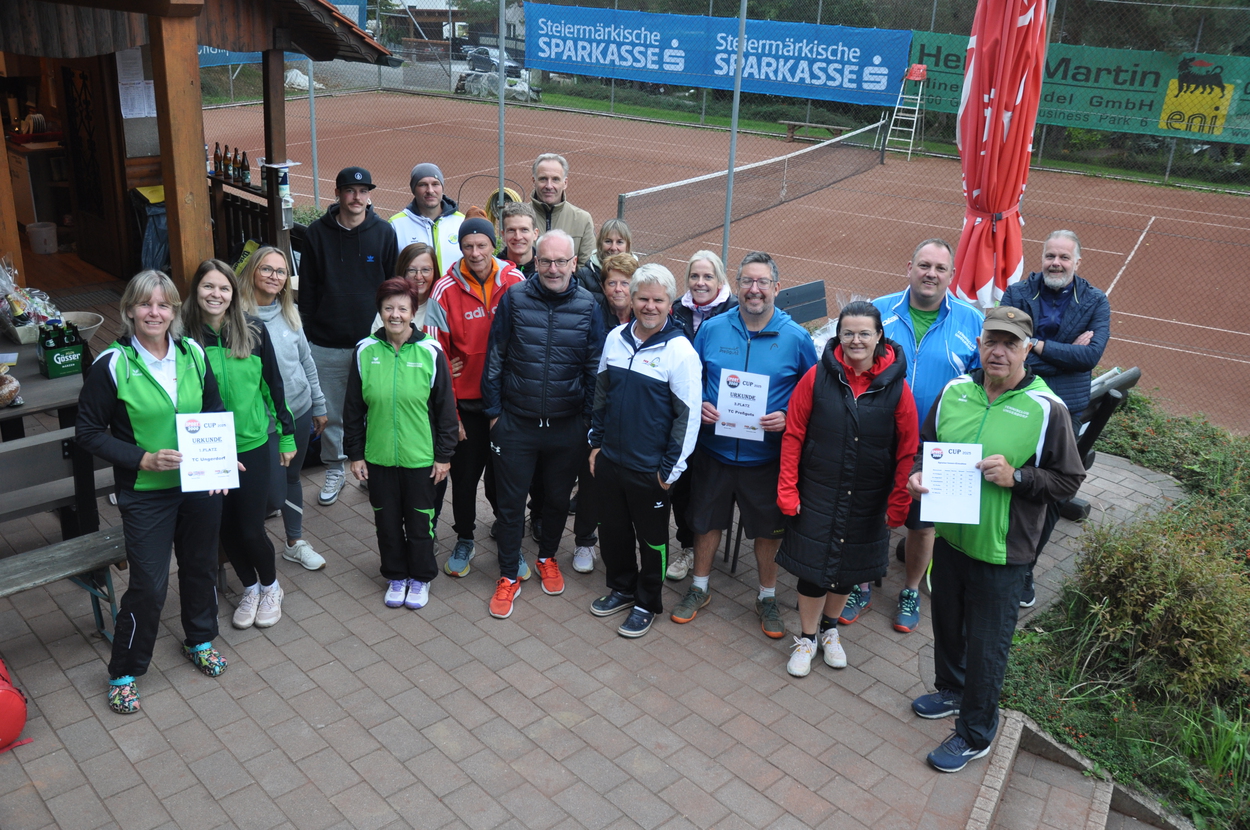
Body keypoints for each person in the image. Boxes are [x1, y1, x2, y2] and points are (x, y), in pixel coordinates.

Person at [907, 306, 1084, 773]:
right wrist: (917, 475)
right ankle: (950, 689)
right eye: (992, 341)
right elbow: (925, 449)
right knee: (946, 624)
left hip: (1003, 553)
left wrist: (1019, 477)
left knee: (987, 646)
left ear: (1027, 349)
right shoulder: (955, 391)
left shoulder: (1048, 409)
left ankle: (976, 732)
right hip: (949, 539)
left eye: (1010, 343)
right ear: (980, 344)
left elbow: (1068, 480)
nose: (999, 351)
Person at [76, 271, 229, 714]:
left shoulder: (193, 353)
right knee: (148, 584)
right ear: (129, 311)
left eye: (164, 305)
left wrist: (223, 458)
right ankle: (124, 670)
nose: (155, 313)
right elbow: (87, 432)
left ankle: (199, 640)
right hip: (146, 492)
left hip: (199, 486)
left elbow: (215, 411)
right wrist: (142, 458)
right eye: (146, 304)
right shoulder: (112, 364)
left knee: (200, 567)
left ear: (175, 312)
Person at [669, 252, 818, 639]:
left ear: (775, 289)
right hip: (714, 452)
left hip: (767, 457)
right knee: (705, 522)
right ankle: (699, 589)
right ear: (737, 286)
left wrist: (787, 415)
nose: (754, 290)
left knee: (768, 531)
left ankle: (766, 596)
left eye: (762, 282)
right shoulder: (713, 329)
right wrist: (699, 403)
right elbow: (692, 379)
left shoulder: (796, 337)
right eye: (748, 282)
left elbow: (812, 395)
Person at [775, 301, 918, 677]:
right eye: (848, 333)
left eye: (864, 333)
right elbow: (793, 434)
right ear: (838, 336)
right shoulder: (816, 377)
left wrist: (898, 501)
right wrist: (788, 489)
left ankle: (829, 630)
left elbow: (907, 450)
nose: (856, 340)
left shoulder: (898, 389)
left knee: (848, 570)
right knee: (813, 571)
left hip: (868, 497)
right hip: (818, 491)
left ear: (878, 337)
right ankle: (806, 638)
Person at [481, 230, 604, 619]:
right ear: (536, 260)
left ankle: (547, 557)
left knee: (554, 501)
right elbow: (495, 357)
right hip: (516, 422)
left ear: (574, 264)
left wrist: (585, 421)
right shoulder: (515, 299)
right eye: (546, 261)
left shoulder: (589, 306)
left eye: (561, 261)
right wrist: (495, 414)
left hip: (566, 426)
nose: (553, 269)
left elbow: (593, 370)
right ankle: (507, 575)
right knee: (510, 503)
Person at [870, 239, 983, 634]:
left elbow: (981, 386)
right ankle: (862, 582)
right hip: (877, 437)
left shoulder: (972, 321)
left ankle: (911, 590)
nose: (930, 274)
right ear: (909, 267)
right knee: (873, 515)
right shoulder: (879, 311)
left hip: (935, 447)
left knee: (922, 526)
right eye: (924, 265)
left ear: (951, 276)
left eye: (940, 268)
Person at [183, 259, 298, 630]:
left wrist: (287, 433)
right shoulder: (183, 338)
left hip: (250, 443)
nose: (215, 294)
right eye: (208, 287)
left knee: (250, 527)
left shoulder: (252, 330)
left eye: (224, 288)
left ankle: (271, 586)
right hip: (209, 449)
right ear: (196, 291)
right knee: (224, 527)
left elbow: (273, 385)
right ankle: (249, 587)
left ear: (233, 294)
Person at [588, 263, 701, 638]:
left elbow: (688, 418)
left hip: (650, 470)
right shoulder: (615, 338)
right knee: (614, 533)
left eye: (658, 300)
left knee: (652, 540)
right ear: (631, 299)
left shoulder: (680, 352)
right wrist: (596, 443)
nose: (649, 306)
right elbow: (602, 395)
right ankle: (621, 587)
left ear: (671, 303)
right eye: (643, 298)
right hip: (611, 462)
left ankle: (646, 601)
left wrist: (669, 471)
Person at [1000, 230, 1110, 605]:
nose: (1056, 263)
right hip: (1015, 397)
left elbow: (1090, 357)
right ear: (1041, 257)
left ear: (1077, 262)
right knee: (1004, 475)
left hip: (1063, 408)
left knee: (1048, 490)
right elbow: (1006, 346)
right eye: (1050, 256)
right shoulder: (1017, 293)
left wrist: (1036, 345)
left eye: (1064, 257)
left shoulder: (1095, 301)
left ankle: (1025, 568)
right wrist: (1061, 352)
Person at [344, 278, 458, 610]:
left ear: (413, 313)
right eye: (389, 308)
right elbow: (353, 408)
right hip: (378, 458)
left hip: (421, 459)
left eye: (402, 308)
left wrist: (443, 456)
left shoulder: (430, 351)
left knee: (421, 522)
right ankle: (396, 575)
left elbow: (445, 408)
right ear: (380, 311)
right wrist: (355, 453)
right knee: (387, 523)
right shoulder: (365, 350)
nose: (395, 315)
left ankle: (420, 578)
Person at [425, 217, 525, 578]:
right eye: (468, 246)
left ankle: (509, 538)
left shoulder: (515, 281)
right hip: (466, 407)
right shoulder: (443, 290)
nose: (475, 252)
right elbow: (437, 358)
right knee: (464, 481)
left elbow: (527, 339)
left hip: (507, 406)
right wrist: (451, 414)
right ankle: (464, 537)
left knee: (506, 480)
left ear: (492, 245)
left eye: (482, 245)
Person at [298, 167, 398, 507]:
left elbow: (391, 289)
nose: (357, 197)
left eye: (363, 190)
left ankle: (371, 470)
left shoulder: (384, 233)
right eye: (350, 190)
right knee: (331, 414)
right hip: (326, 342)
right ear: (338, 193)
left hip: (372, 344)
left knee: (375, 411)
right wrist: (307, 336)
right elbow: (308, 289)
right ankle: (335, 469)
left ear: (369, 195)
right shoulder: (315, 234)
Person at [240, 246, 328, 572]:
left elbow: (306, 360)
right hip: (262, 421)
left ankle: (295, 542)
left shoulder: (289, 313)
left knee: (292, 478)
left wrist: (318, 404)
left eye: (280, 271)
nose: (274, 277)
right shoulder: (237, 319)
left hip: (300, 409)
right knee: (271, 494)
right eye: (267, 269)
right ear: (252, 272)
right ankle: (251, 543)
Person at [666, 250, 737, 581]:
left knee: (707, 488)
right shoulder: (676, 311)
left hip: (717, 418)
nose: (700, 282)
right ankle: (687, 545)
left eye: (708, 276)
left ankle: (703, 542)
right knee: (681, 484)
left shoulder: (734, 312)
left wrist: (711, 401)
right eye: (695, 276)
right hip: (680, 415)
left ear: (720, 280)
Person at [389, 162, 464, 274]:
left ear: (442, 188)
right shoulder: (396, 224)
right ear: (413, 189)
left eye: (435, 184)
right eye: (423, 185)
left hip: (454, 291)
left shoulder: (462, 221)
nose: (430, 190)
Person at [530, 153, 595, 262]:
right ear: (534, 181)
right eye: (543, 179)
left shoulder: (583, 220)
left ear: (565, 183)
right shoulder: (519, 219)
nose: (549, 186)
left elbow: (586, 269)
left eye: (555, 179)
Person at [573, 219, 633, 301]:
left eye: (619, 242)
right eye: (608, 241)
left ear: (628, 245)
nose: (613, 248)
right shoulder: (584, 275)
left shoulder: (638, 273)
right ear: (600, 243)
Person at [499, 201, 540, 279]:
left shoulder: (547, 269)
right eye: (511, 230)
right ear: (503, 235)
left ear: (535, 234)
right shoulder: (494, 269)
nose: (518, 237)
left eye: (524, 230)